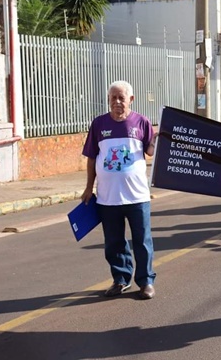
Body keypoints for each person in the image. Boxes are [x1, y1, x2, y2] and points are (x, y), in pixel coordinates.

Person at [81, 81, 157, 300]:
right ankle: (120, 279)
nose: (117, 102)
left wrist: (157, 140)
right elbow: (92, 158)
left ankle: (146, 282)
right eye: (113, 98)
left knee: (142, 241)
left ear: (131, 100)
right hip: (107, 197)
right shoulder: (98, 124)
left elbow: (150, 151)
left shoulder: (142, 122)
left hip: (137, 196)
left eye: (121, 98)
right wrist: (88, 187)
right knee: (114, 242)